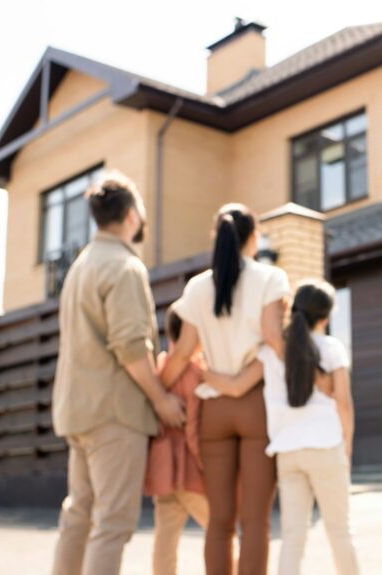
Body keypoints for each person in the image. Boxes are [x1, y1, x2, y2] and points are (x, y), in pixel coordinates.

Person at [51, 172, 186, 575]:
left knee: (78, 515)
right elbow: (130, 347)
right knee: (112, 524)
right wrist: (162, 401)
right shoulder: (125, 267)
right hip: (114, 414)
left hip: (76, 411)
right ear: (130, 216)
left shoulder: (79, 267)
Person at [161, 203, 288, 575]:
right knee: (256, 522)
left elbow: (184, 353)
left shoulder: (198, 287)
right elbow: (272, 338)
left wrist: (156, 394)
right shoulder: (270, 278)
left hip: (213, 410)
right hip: (256, 407)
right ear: (254, 236)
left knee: (219, 521)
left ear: (217, 237)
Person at [207, 280, 359, 575]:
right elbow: (344, 403)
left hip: (287, 452)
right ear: (325, 317)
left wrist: (203, 372)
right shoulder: (332, 348)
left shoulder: (271, 353)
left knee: (292, 538)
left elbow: (238, 386)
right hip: (327, 445)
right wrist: (348, 445)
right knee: (339, 530)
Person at [146, 307, 209, 575]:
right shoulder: (195, 372)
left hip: (162, 468)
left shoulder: (159, 367)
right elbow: (193, 428)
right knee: (220, 530)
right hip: (190, 469)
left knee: (165, 540)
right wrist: (206, 466)